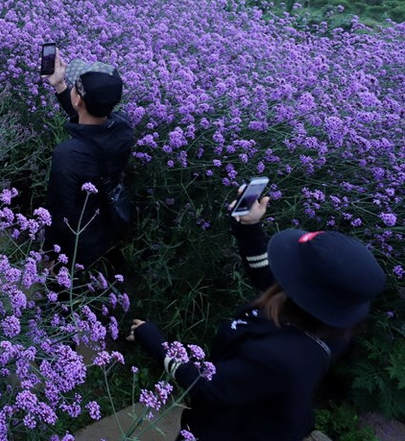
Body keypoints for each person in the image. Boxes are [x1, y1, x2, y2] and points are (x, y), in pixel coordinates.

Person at [127, 191, 386, 441]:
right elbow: (270, 278)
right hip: (257, 407)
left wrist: (156, 343)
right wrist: (249, 227)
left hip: (231, 429)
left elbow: (208, 387)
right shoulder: (331, 323)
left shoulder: (276, 358)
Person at [43, 50, 134, 271]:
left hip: (76, 239)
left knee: (61, 290)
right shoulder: (122, 128)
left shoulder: (68, 155)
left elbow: (59, 211)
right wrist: (60, 86)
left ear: (78, 99)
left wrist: (48, 253)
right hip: (104, 225)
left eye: (74, 87)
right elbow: (88, 121)